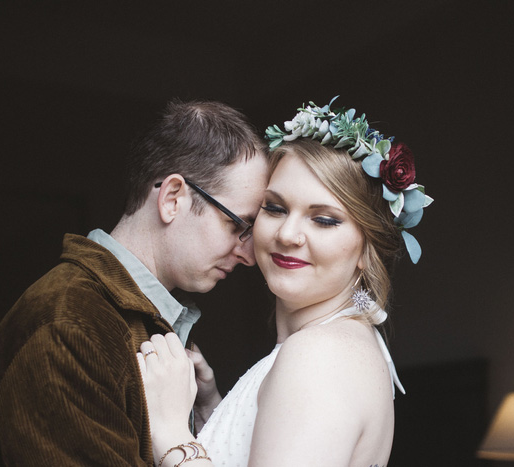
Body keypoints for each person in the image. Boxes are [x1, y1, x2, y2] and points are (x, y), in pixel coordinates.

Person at [0, 99, 270, 465]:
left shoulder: (133, 320)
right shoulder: (70, 326)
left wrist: (207, 417)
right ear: (172, 198)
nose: (248, 255)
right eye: (237, 225)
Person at [136, 98, 433, 466]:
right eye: (275, 208)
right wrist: (213, 409)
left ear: (366, 246)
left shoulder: (318, 356)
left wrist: (168, 432)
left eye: (324, 220)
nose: (288, 234)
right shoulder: (345, 343)